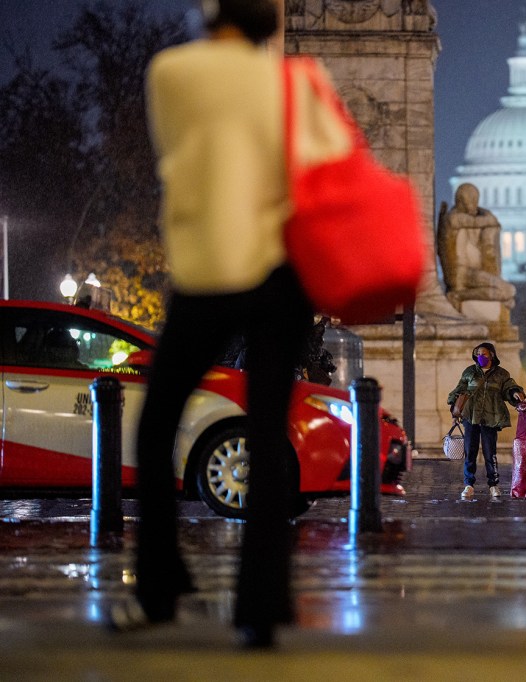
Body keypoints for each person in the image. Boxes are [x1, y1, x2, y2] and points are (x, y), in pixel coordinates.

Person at [106, 0, 338, 649]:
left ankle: (160, 584)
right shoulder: (295, 84)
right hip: (280, 279)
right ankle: (259, 609)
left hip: (206, 275)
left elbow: (178, 156)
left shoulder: (173, 72)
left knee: (157, 427)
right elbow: (322, 171)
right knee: (267, 441)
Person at [447, 342, 525, 499]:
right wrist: (454, 407)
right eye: (477, 354)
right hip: (471, 417)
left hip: (491, 418)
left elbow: (509, 387)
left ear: (492, 355)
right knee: (470, 452)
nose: (480, 357)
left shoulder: (501, 374)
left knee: (491, 453)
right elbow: (459, 390)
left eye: (483, 354)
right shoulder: (470, 372)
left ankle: (493, 484)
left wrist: (515, 393)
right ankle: (469, 484)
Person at [436, 183, 517, 316]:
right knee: (508, 291)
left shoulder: (468, 220)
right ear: (460, 200)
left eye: (476, 200)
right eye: (471, 200)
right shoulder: (452, 218)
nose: (474, 204)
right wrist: (488, 215)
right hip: (460, 274)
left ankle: (461, 295)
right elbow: (481, 222)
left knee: (507, 294)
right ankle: (458, 296)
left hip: (471, 272)